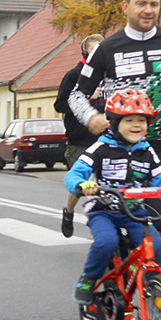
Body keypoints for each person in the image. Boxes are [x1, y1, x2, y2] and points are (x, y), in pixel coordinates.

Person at [69, 0, 161, 293]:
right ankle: (118, 274)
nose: (148, 10)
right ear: (125, 6)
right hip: (116, 146)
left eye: (154, 4)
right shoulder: (107, 49)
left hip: (159, 143)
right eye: (141, 3)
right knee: (119, 211)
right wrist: (92, 118)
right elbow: (76, 95)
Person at [66, 88, 161, 304]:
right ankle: (88, 279)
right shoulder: (101, 147)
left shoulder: (147, 151)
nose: (136, 125)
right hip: (103, 210)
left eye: (142, 120)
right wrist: (82, 184)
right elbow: (75, 173)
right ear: (115, 123)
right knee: (107, 242)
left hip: (134, 211)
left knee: (157, 247)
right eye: (129, 120)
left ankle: (156, 288)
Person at [54, 34, 104, 236]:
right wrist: (86, 99)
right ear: (85, 53)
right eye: (94, 52)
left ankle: (103, 225)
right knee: (81, 184)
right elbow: (59, 104)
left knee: (104, 184)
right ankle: (69, 211)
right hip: (80, 139)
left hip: (105, 138)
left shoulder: (109, 75)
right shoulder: (74, 75)